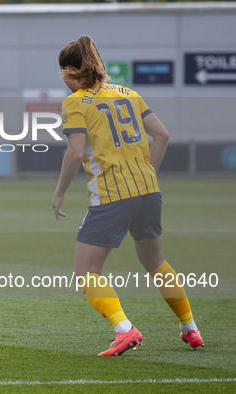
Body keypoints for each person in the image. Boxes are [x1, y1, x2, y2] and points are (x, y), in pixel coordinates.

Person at [52, 35, 203, 356]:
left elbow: (75, 152)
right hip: (148, 191)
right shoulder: (128, 93)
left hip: (112, 195)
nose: (63, 79)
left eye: (63, 72)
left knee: (86, 272)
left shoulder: (75, 102)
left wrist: (60, 192)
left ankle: (124, 329)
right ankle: (190, 328)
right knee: (155, 262)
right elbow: (162, 134)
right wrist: (148, 172)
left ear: (71, 71)